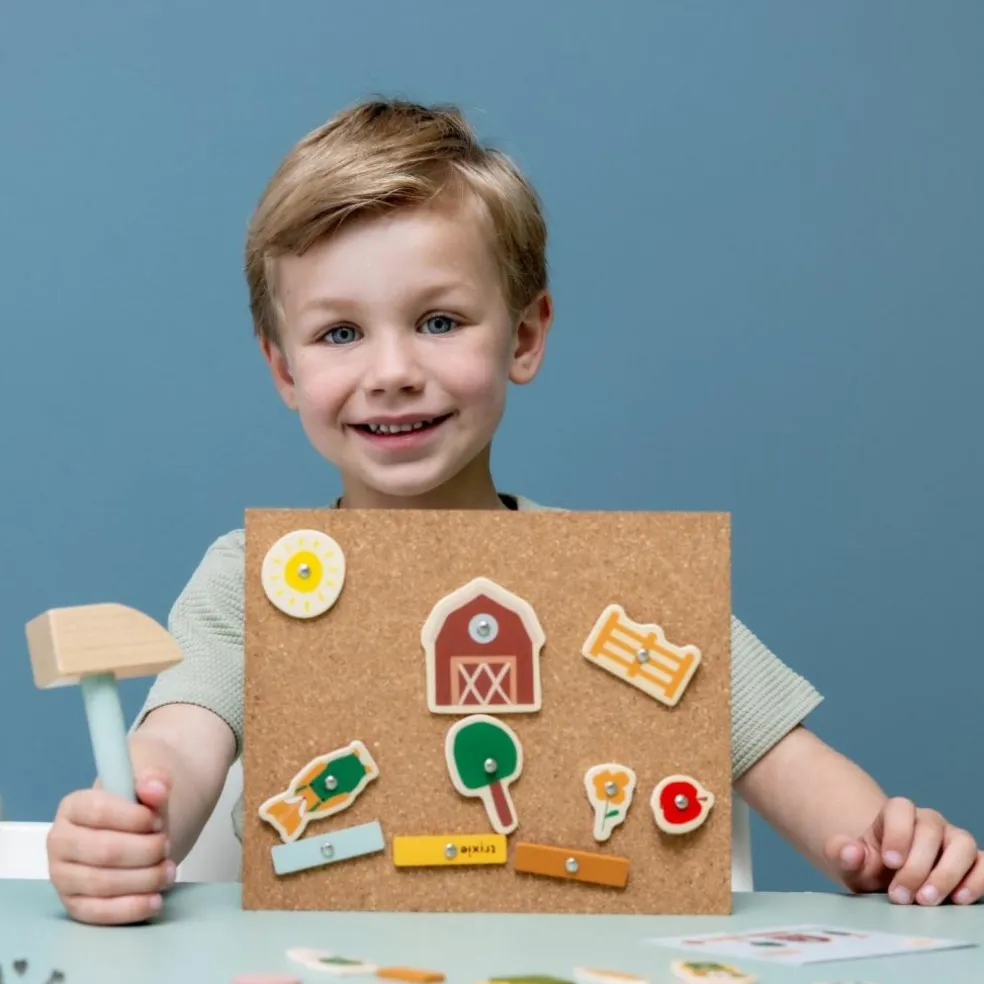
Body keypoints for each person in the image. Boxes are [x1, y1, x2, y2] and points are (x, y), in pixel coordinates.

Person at [45, 98, 983, 925]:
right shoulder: (245, 580)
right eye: (339, 332)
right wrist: (136, 819)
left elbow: (815, 791)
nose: (393, 370)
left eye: (440, 320)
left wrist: (900, 848)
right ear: (285, 371)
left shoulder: (615, 585)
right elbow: (180, 742)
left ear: (525, 336)